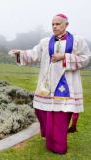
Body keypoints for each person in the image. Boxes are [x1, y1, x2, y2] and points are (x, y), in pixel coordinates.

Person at [10, 14, 91, 154]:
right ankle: (50, 143)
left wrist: (64, 56)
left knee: (60, 117)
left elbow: (85, 59)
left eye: (58, 24)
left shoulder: (78, 41)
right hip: (48, 86)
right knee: (44, 113)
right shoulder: (45, 42)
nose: (54, 26)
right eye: (53, 24)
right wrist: (20, 53)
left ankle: (59, 147)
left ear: (66, 25)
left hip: (67, 86)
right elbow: (34, 55)